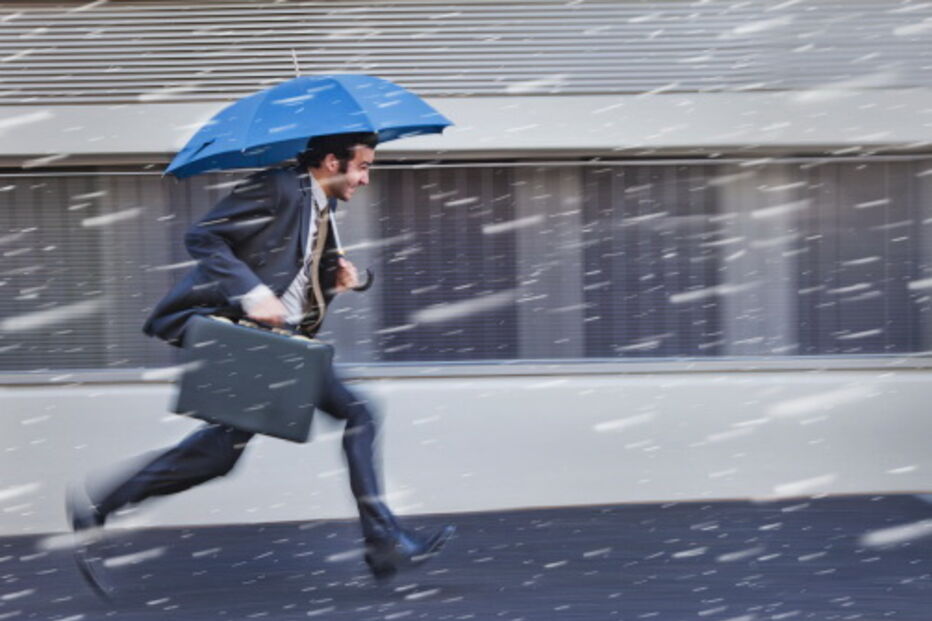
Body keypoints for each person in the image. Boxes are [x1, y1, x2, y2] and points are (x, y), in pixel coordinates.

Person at [67, 132, 454, 599]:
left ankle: (382, 539)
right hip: (253, 341)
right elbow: (204, 237)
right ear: (332, 161)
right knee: (251, 446)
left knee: (293, 432)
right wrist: (251, 293)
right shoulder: (279, 186)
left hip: (284, 345)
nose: (366, 179)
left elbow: (312, 273)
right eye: (363, 166)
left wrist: (355, 279)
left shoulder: (323, 206)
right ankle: (383, 541)